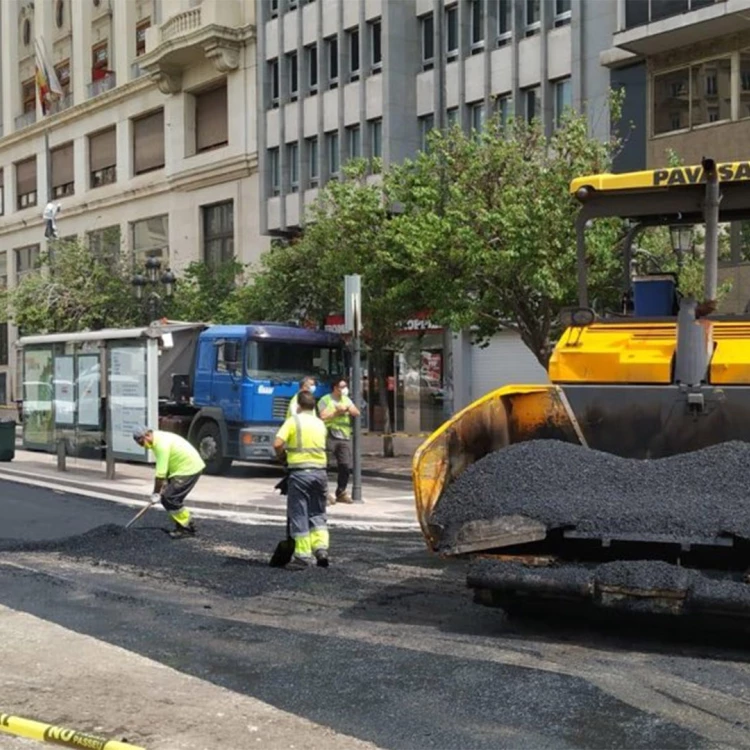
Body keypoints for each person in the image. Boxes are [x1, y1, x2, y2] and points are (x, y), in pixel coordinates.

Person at [273, 390, 330, 569]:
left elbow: (277, 444)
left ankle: (303, 557)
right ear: (313, 406)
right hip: (320, 473)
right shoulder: (320, 424)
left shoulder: (293, 421)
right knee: (317, 512)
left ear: (298, 405)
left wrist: (282, 457)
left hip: (300, 474)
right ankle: (321, 549)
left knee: (299, 514)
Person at [132, 426, 205, 539]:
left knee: (169, 498)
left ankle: (187, 528)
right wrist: (165, 483)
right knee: (172, 499)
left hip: (189, 468)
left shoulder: (161, 444)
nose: (143, 446)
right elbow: (165, 467)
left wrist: (156, 493)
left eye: (141, 443)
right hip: (179, 468)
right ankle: (182, 526)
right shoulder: (158, 438)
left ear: (146, 435)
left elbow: (160, 474)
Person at [317, 378, 360, 505]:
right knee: (325, 466)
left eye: (345, 386)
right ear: (335, 388)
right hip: (329, 435)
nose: (345, 389)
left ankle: (341, 492)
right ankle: (324, 493)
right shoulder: (325, 399)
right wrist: (336, 412)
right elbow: (323, 416)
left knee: (345, 465)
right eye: (342, 386)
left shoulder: (346, 400)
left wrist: (346, 409)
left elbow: (356, 412)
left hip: (344, 437)